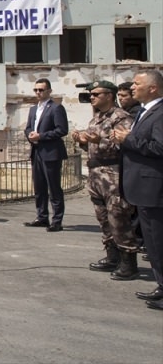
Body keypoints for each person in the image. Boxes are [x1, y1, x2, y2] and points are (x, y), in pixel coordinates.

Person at [71, 80, 138, 279]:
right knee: (103, 217)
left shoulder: (121, 117)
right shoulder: (97, 118)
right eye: (91, 94)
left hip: (113, 174)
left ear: (109, 95)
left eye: (96, 94)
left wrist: (99, 140)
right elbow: (92, 146)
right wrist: (83, 142)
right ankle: (112, 256)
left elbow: (123, 144)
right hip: (96, 174)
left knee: (118, 217)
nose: (92, 97)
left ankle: (129, 262)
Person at [112, 70, 163, 311]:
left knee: (157, 240)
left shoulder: (160, 113)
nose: (132, 87)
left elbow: (159, 147)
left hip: (154, 188)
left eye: (137, 83)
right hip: (142, 187)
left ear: (153, 88)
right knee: (153, 243)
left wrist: (128, 140)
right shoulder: (144, 111)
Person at [23, 78, 68, 232]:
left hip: (51, 152)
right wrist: (30, 134)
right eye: (36, 90)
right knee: (39, 186)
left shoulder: (56, 108)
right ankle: (42, 216)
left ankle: (57, 220)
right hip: (36, 151)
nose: (38, 93)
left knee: (54, 187)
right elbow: (28, 127)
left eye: (41, 90)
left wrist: (41, 136)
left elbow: (62, 130)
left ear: (49, 91)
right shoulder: (33, 109)